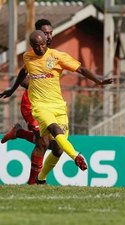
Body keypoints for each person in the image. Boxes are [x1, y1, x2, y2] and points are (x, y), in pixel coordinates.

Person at [2, 30, 113, 184]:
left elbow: (80, 69)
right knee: (53, 131)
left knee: (58, 149)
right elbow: (23, 72)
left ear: (45, 43)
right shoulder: (28, 57)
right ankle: (76, 156)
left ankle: (41, 178)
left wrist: (98, 81)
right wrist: (12, 90)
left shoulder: (57, 56)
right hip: (40, 106)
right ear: (31, 46)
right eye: (36, 46)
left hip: (58, 105)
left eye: (41, 45)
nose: (39, 48)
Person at [0, 19, 62, 185]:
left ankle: (19, 133)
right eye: (44, 33)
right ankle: (33, 183)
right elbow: (22, 78)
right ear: (37, 35)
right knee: (43, 142)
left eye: (50, 33)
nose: (48, 37)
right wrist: (40, 82)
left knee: (57, 148)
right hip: (33, 103)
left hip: (50, 104)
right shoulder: (32, 55)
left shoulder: (53, 55)